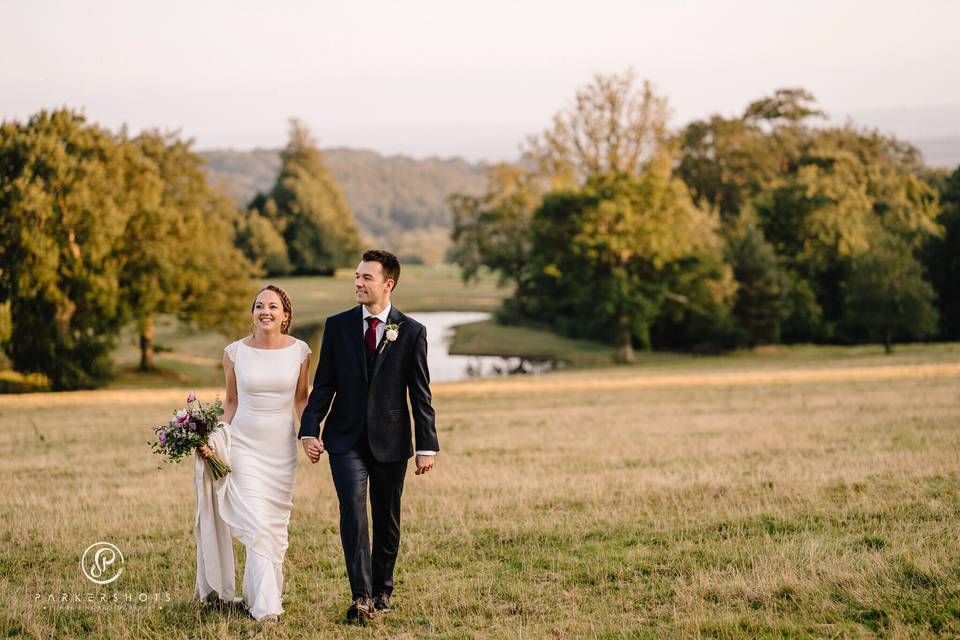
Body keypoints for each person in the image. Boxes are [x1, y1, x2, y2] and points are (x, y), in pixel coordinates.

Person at [299, 249, 439, 622]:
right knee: (353, 511)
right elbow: (324, 384)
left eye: (367, 278)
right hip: (344, 439)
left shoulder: (411, 332)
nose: (358, 283)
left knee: (387, 517)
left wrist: (427, 445)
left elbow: (420, 394)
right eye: (357, 277)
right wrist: (310, 429)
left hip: (391, 440)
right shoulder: (338, 325)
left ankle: (382, 591)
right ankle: (360, 596)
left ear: (387, 284)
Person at [196, 285, 311, 623]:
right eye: (259, 305)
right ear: (253, 313)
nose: (265, 311)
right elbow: (230, 403)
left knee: (274, 528)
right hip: (243, 445)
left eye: (273, 306)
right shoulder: (234, 353)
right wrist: (209, 437)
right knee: (257, 523)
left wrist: (310, 433)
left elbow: (301, 400)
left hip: (281, 450)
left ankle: (255, 595)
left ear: (285, 315)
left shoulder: (301, 352)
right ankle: (267, 608)